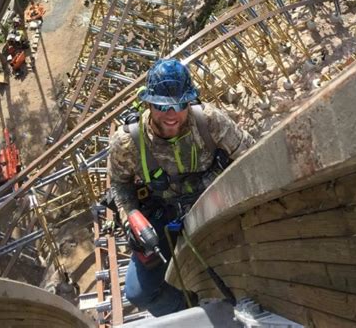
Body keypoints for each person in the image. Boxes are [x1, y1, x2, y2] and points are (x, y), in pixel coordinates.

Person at [108, 58, 255, 317]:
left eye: (180, 104)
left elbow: (249, 154)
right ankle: (191, 309)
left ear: (189, 102)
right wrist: (131, 215)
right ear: (148, 103)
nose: (172, 114)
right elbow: (120, 185)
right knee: (139, 292)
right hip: (165, 212)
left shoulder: (208, 121)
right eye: (162, 106)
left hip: (213, 199)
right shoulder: (128, 142)